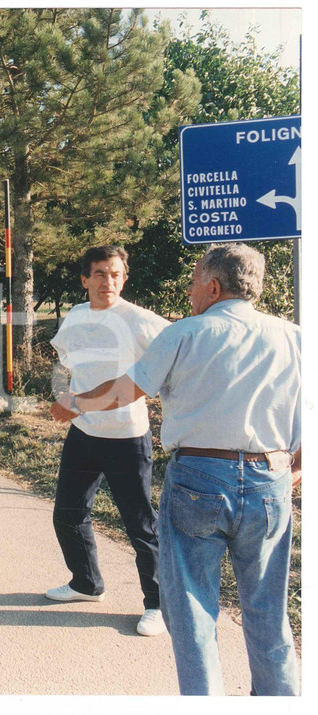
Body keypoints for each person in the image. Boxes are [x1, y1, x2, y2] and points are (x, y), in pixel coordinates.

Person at [50, 242, 301, 695]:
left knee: (193, 615)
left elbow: (127, 390)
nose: (189, 292)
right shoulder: (296, 337)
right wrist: (289, 471)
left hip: (199, 478)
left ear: (213, 285)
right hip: (271, 480)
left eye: (193, 282)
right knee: (268, 612)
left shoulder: (183, 333)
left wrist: (75, 404)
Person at [45, 245, 170, 637]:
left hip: (127, 438)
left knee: (140, 526)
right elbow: (67, 362)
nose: (108, 281)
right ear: (85, 280)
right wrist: (68, 395)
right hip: (84, 434)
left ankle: (158, 606)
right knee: (67, 512)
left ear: (125, 278)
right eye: (99, 274)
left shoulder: (142, 321)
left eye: (115, 274)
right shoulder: (76, 316)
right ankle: (86, 584)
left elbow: (174, 362)